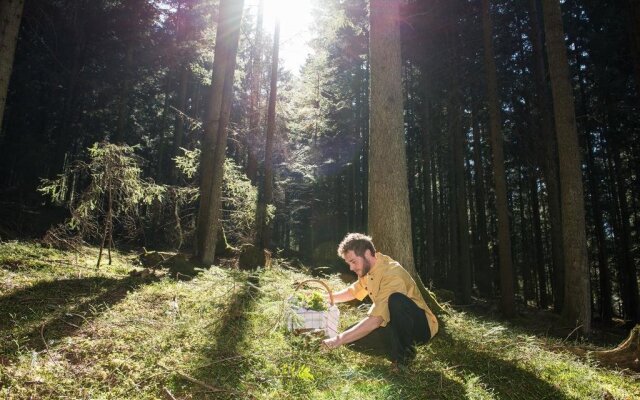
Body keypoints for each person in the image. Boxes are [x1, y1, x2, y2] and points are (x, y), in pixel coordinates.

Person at [322, 233, 438, 369]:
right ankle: (395, 348)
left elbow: (375, 319)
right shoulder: (368, 269)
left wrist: (337, 340)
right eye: (349, 263)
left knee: (396, 300)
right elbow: (355, 290)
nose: (351, 268)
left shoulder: (392, 274)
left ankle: (404, 356)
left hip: (420, 328)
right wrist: (327, 297)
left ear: (367, 253)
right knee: (351, 338)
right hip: (393, 324)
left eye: (353, 262)